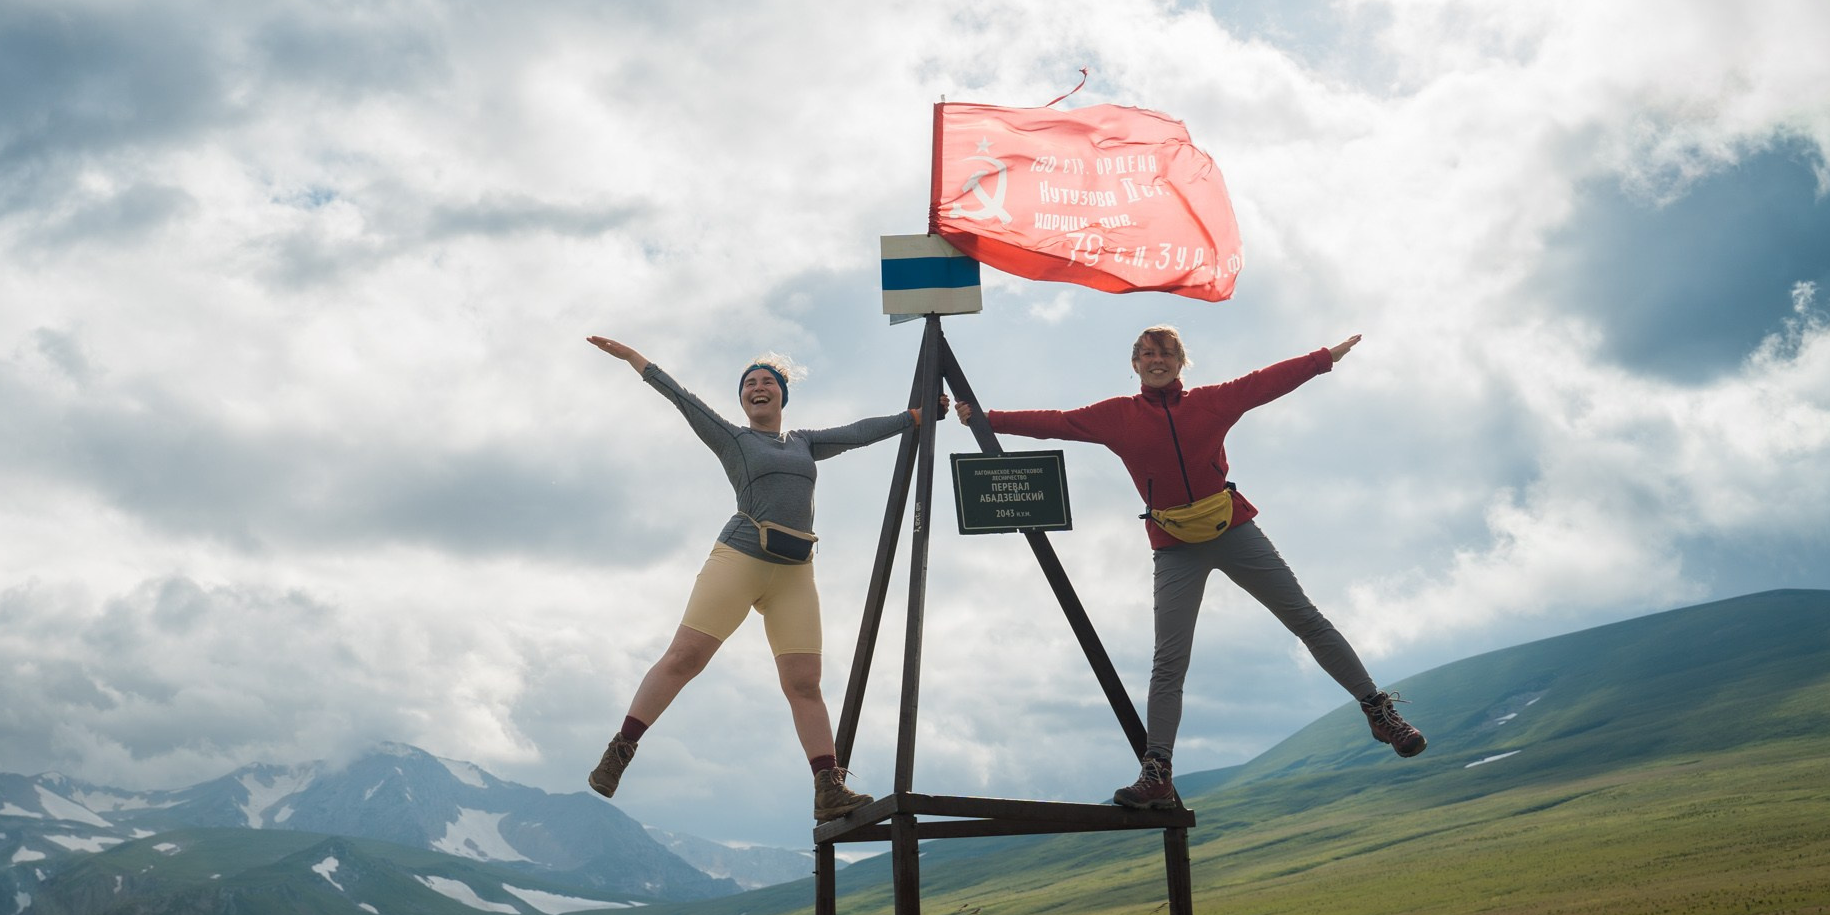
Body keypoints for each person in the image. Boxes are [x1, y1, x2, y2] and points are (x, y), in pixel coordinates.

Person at [956, 325, 1424, 809]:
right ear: (1134, 364)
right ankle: (1156, 771)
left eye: (1166, 353)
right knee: (1169, 660)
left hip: (1233, 531)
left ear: (1181, 362)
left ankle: (1379, 713)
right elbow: (1055, 421)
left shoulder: (1212, 402)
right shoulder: (1116, 416)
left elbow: (1265, 382)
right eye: (1146, 353)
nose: (1156, 360)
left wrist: (1324, 358)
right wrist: (988, 419)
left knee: (1306, 619)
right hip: (1175, 546)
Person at [583, 336, 931, 821]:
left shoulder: (806, 442)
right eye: (750, 383)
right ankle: (619, 751)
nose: (759, 387)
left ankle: (828, 789)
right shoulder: (734, 438)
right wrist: (634, 359)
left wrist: (912, 419)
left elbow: (858, 432)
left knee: (805, 684)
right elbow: (682, 397)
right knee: (685, 658)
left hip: (795, 573)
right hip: (739, 560)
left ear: (783, 397)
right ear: (743, 399)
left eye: (769, 382)